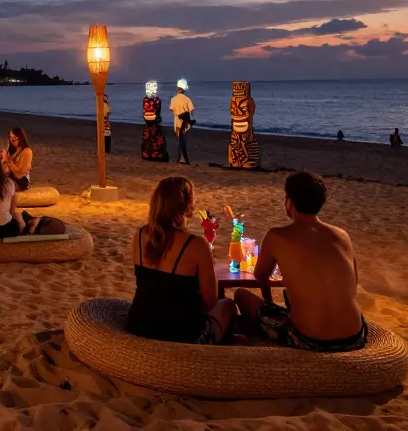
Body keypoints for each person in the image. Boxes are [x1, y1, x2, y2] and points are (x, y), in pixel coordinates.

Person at [233, 172, 366, 352]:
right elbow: (353, 285)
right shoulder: (342, 235)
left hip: (310, 340)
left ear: (289, 202)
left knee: (241, 295)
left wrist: (269, 301)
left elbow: (260, 276)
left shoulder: (277, 236)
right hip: (355, 337)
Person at [127, 176, 236, 344]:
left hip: (139, 324)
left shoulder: (140, 235)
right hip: (180, 333)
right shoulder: (197, 244)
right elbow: (210, 301)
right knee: (228, 305)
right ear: (188, 205)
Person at [141, 81, 169, 162]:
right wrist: (158, 119)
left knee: (147, 138)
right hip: (154, 121)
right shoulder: (156, 100)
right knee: (156, 137)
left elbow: (144, 110)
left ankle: (146, 153)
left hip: (147, 121)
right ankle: (155, 154)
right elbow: (158, 110)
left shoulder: (144, 99)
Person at [170, 84, 195, 164]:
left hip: (177, 122)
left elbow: (172, 111)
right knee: (183, 140)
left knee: (180, 140)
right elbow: (191, 111)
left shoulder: (173, 99)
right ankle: (183, 158)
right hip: (185, 122)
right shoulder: (187, 99)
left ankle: (180, 157)